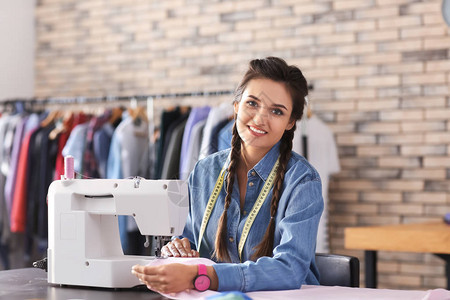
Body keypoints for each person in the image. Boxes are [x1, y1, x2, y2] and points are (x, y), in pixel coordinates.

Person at [132, 57, 323, 294]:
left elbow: (290, 269)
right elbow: (190, 239)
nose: (260, 118)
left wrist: (201, 277)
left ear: (290, 123)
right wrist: (178, 248)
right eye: (252, 103)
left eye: (276, 111)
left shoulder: (302, 181)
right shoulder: (204, 171)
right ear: (236, 106)